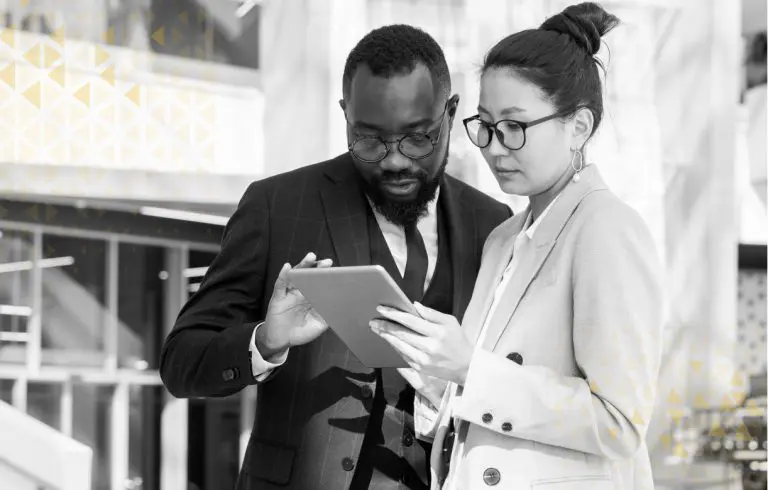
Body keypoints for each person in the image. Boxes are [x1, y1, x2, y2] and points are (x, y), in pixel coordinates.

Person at [159, 24, 511, 490]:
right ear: (345, 116)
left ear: (450, 114)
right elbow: (182, 364)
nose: (394, 160)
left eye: (418, 138)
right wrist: (266, 340)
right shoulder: (277, 206)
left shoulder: (493, 224)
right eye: (368, 140)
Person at [371, 4, 665, 489]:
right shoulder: (505, 236)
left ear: (579, 127)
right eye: (485, 124)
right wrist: (430, 365)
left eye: (515, 126)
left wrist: (471, 368)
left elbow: (619, 422)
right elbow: (486, 394)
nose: (493, 146)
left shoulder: (607, 229)